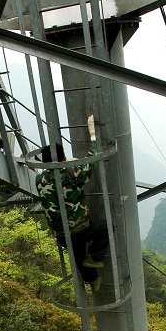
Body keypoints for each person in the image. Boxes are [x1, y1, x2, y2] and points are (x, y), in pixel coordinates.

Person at [36, 115, 108, 293]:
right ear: (62, 158)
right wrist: (92, 131)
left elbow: (55, 174)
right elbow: (92, 158)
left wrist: (65, 163)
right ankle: (94, 256)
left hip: (61, 233)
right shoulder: (72, 174)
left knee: (78, 256)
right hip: (80, 229)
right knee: (106, 228)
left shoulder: (40, 179)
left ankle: (92, 280)